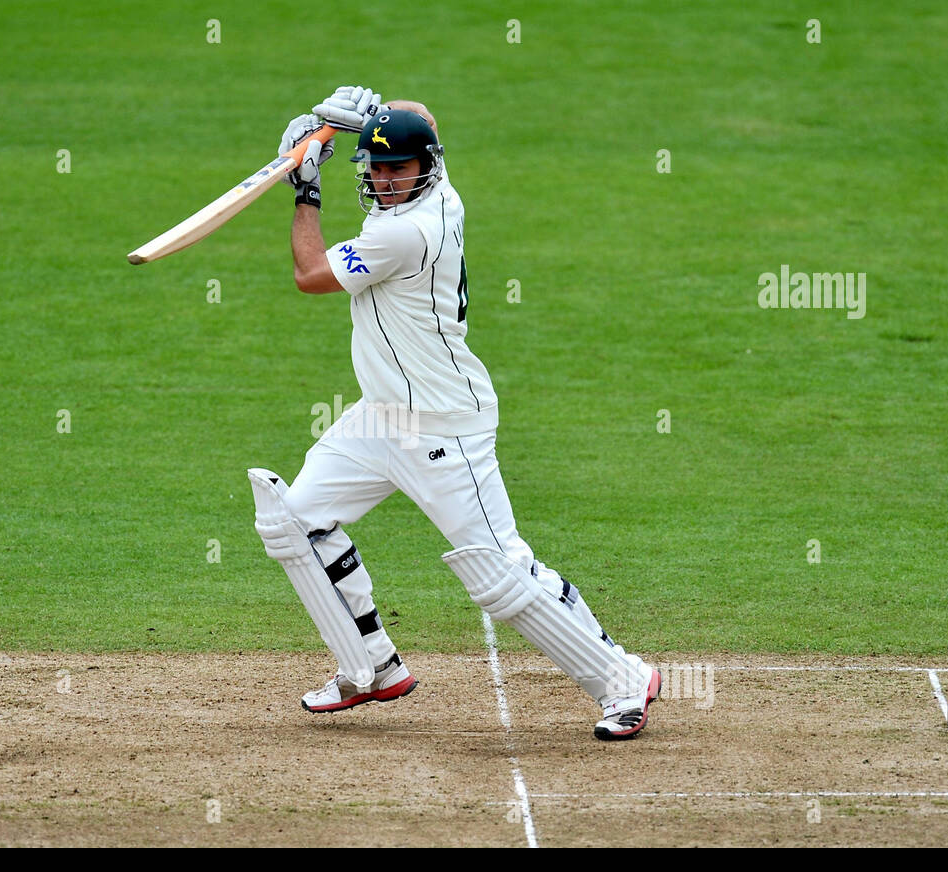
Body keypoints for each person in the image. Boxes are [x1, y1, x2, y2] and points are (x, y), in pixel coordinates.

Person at [246, 86, 661, 740]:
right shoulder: (440, 190)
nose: (383, 181)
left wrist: (304, 187)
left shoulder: (410, 232)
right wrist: (347, 118)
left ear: (425, 168)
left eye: (396, 168)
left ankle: (622, 678)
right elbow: (425, 121)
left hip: (445, 427)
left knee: (501, 576)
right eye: (374, 168)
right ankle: (370, 667)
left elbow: (309, 274)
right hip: (380, 418)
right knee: (292, 522)